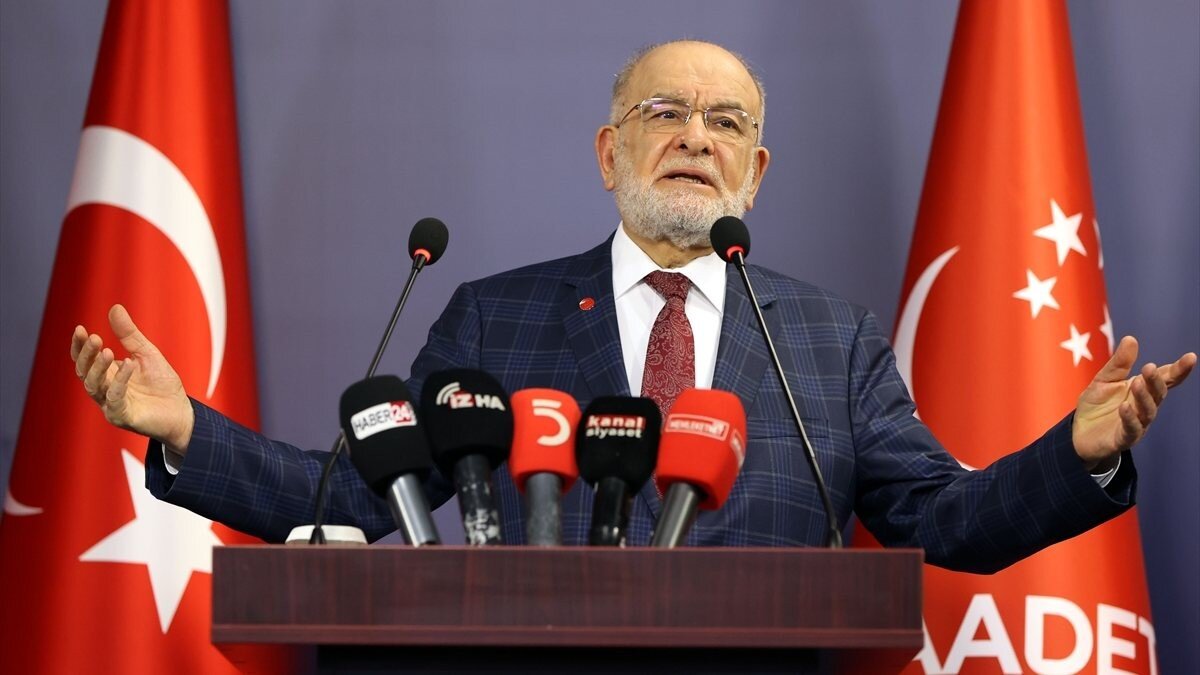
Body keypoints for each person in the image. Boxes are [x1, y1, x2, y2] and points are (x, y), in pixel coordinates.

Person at [69, 41, 1194, 570]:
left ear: (756, 173)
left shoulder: (830, 339)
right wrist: (186, 427)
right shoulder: (494, 318)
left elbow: (945, 523)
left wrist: (1076, 455)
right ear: (611, 152)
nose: (697, 136)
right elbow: (365, 497)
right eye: (666, 112)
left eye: (727, 123)